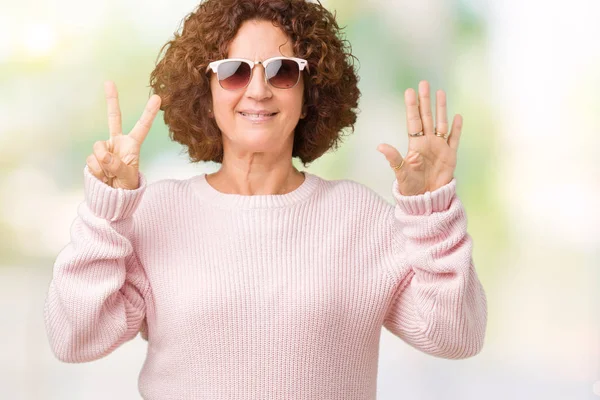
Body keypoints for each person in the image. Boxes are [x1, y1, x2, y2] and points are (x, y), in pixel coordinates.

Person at [43, 0, 487, 399]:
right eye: (234, 70)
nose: (257, 90)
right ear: (207, 89)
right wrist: (106, 213)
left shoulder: (359, 219)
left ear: (309, 92)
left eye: (281, 70)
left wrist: (431, 211)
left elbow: (456, 336)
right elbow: (74, 337)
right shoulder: (158, 214)